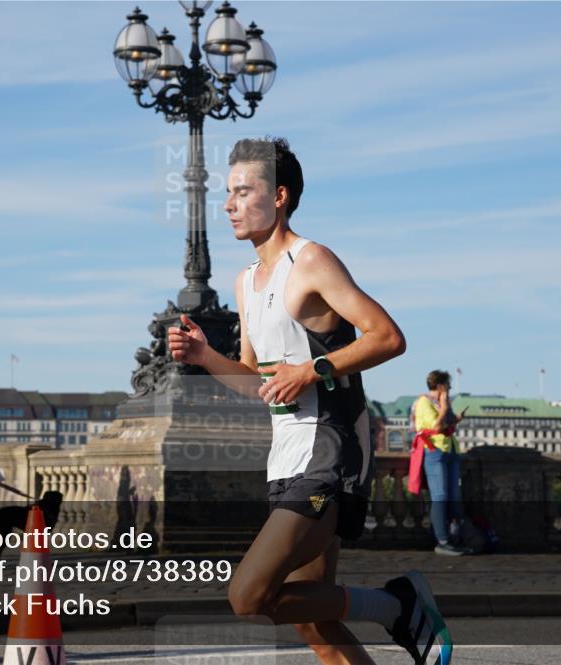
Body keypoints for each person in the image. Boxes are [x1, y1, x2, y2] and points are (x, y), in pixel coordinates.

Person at [168, 138, 452, 665]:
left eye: (242, 192)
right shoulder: (247, 282)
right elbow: (258, 383)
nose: (228, 204)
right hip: (286, 454)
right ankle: (395, 608)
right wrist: (206, 356)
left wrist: (312, 369)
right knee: (313, 621)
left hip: (331, 451)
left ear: (278, 196)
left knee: (248, 595)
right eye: (227, 193)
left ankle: (396, 604)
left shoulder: (312, 260)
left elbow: (387, 337)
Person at [411, 371, 470, 556]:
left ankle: (455, 537)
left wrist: (456, 417)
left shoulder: (443, 402)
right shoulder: (424, 402)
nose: (450, 389)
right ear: (440, 386)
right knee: (440, 495)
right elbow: (435, 427)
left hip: (450, 450)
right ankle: (442, 541)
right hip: (434, 451)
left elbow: (448, 424)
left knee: (454, 495)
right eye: (448, 385)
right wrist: (444, 408)